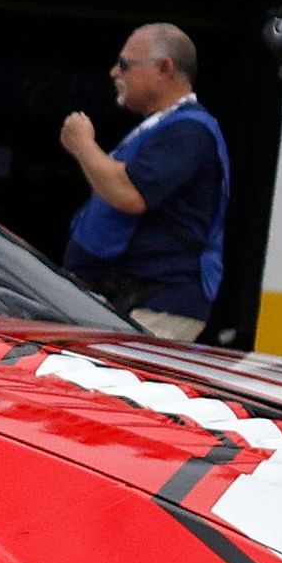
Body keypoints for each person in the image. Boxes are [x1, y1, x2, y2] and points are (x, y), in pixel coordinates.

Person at [56, 22, 231, 337]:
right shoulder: (163, 127)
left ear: (165, 67)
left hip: (158, 303)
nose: (113, 73)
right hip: (129, 300)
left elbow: (128, 193)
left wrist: (82, 143)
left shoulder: (190, 130)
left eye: (124, 64)